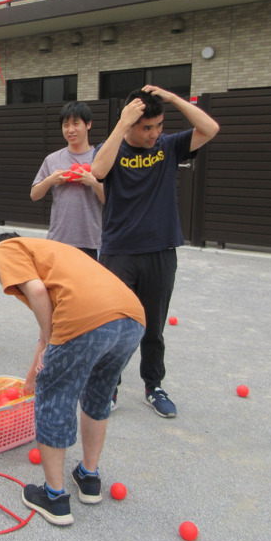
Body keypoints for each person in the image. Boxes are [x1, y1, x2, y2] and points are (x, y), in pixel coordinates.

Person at [0, 233, 145, 526]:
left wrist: (44, 373)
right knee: (98, 394)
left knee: (54, 396)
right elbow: (47, 328)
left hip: (87, 316)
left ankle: (55, 498)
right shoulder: (49, 252)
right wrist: (29, 380)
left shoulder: (6, 248)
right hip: (131, 317)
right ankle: (89, 479)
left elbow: (36, 293)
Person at [91, 85, 220, 418]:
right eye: (146, 127)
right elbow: (98, 172)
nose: (154, 133)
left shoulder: (168, 147)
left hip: (161, 250)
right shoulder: (113, 149)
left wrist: (175, 99)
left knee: (153, 326)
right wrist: (121, 124)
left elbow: (210, 129)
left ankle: (154, 385)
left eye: (159, 125)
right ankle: (109, 386)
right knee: (115, 325)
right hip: (120, 252)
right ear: (131, 124)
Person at [30, 101, 104, 259]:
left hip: (90, 241)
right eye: (65, 125)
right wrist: (50, 180)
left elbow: (110, 199)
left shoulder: (100, 158)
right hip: (58, 239)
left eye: (76, 123)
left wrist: (93, 182)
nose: (70, 130)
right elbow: (34, 195)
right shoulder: (52, 159)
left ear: (88, 124)